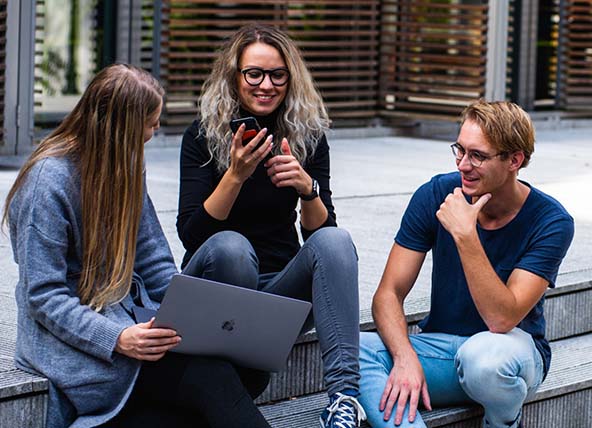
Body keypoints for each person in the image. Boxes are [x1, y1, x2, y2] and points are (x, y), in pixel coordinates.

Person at [3, 63, 271, 428]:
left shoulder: (125, 163)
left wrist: (186, 317)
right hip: (76, 339)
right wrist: (117, 338)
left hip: (131, 319)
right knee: (212, 379)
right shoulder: (46, 184)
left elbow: (153, 257)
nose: (155, 131)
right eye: (150, 122)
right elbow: (44, 296)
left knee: (248, 372)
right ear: (122, 127)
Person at [177, 23, 366, 428]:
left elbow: (320, 238)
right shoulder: (202, 136)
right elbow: (191, 236)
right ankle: (233, 377)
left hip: (278, 291)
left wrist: (308, 189)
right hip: (217, 287)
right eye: (254, 74)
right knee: (231, 247)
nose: (266, 85)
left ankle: (345, 400)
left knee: (336, 241)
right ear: (235, 77)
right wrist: (235, 175)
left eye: (277, 75)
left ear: (290, 78)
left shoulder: (307, 136)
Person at [358, 100, 574, 427]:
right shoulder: (436, 193)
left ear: (514, 160)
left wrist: (465, 235)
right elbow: (388, 293)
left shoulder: (551, 221)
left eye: (478, 156)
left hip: (510, 355)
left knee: (484, 359)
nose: (462, 165)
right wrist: (404, 358)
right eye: (459, 150)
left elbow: (502, 319)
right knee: (355, 349)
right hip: (443, 349)